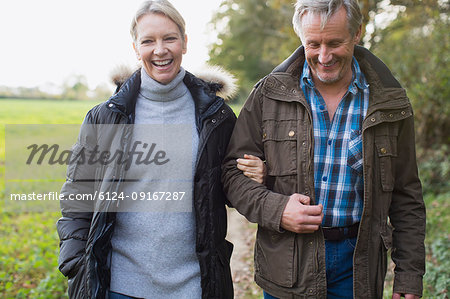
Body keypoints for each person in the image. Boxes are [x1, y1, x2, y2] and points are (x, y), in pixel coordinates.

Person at [222, 0, 426, 298]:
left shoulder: (390, 103)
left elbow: (406, 194)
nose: (323, 55)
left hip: (358, 266)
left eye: (334, 43)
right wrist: (278, 211)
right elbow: (231, 175)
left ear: (357, 33)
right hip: (287, 265)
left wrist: (409, 276)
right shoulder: (268, 95)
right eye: (313, 44)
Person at [56, 1, 239, 298]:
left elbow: (232, 189)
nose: (160, 50)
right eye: (148, 41)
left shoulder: (216, 117)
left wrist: (254, 174)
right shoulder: (105, 117)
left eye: (169, 38)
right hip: (119, 287)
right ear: (135, 48)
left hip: (195, 287)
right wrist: (75, 260)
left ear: (185, 42)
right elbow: (78, 192)